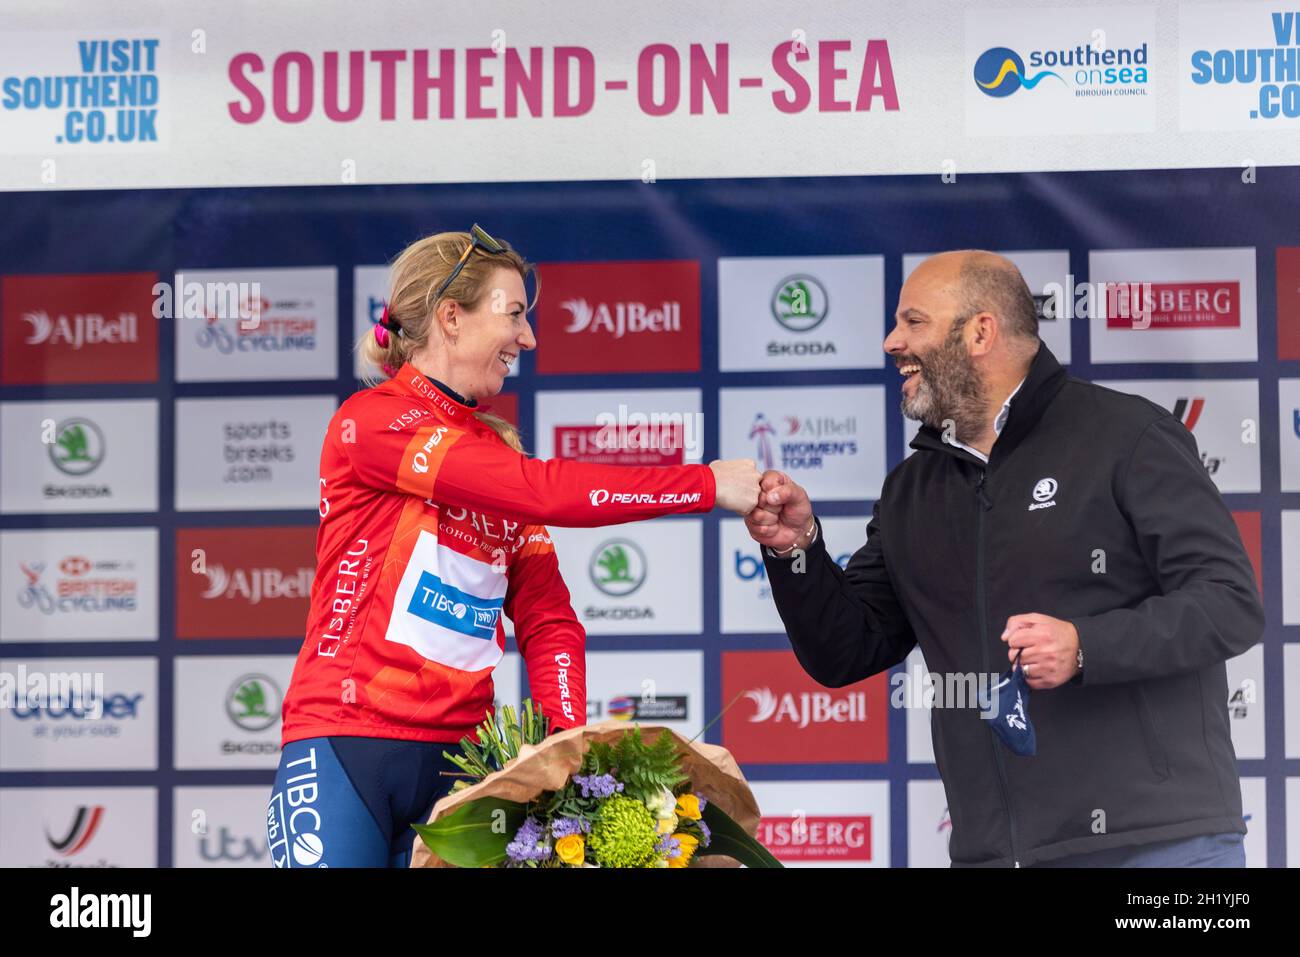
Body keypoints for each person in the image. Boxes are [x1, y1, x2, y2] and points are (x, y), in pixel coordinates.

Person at [745, 250, 1263, 868]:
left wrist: (1086, 646)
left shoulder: (1128, 437)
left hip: (1160, 845)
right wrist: (796, 551)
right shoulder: (912, 490)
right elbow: (846, 650)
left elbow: (1228, 604)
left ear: (979, 332)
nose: (891, 342)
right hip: (997, 854)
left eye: (913, 322)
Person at [267, 225, 759, 868]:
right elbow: (539, 491)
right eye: (515, 314)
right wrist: (702, 484)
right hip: (345, 741)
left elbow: (549, 617)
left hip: (464, 764)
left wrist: (562, 743)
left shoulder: (495, 451)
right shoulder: (373, 421)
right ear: (451, 316)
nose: (528, 338)